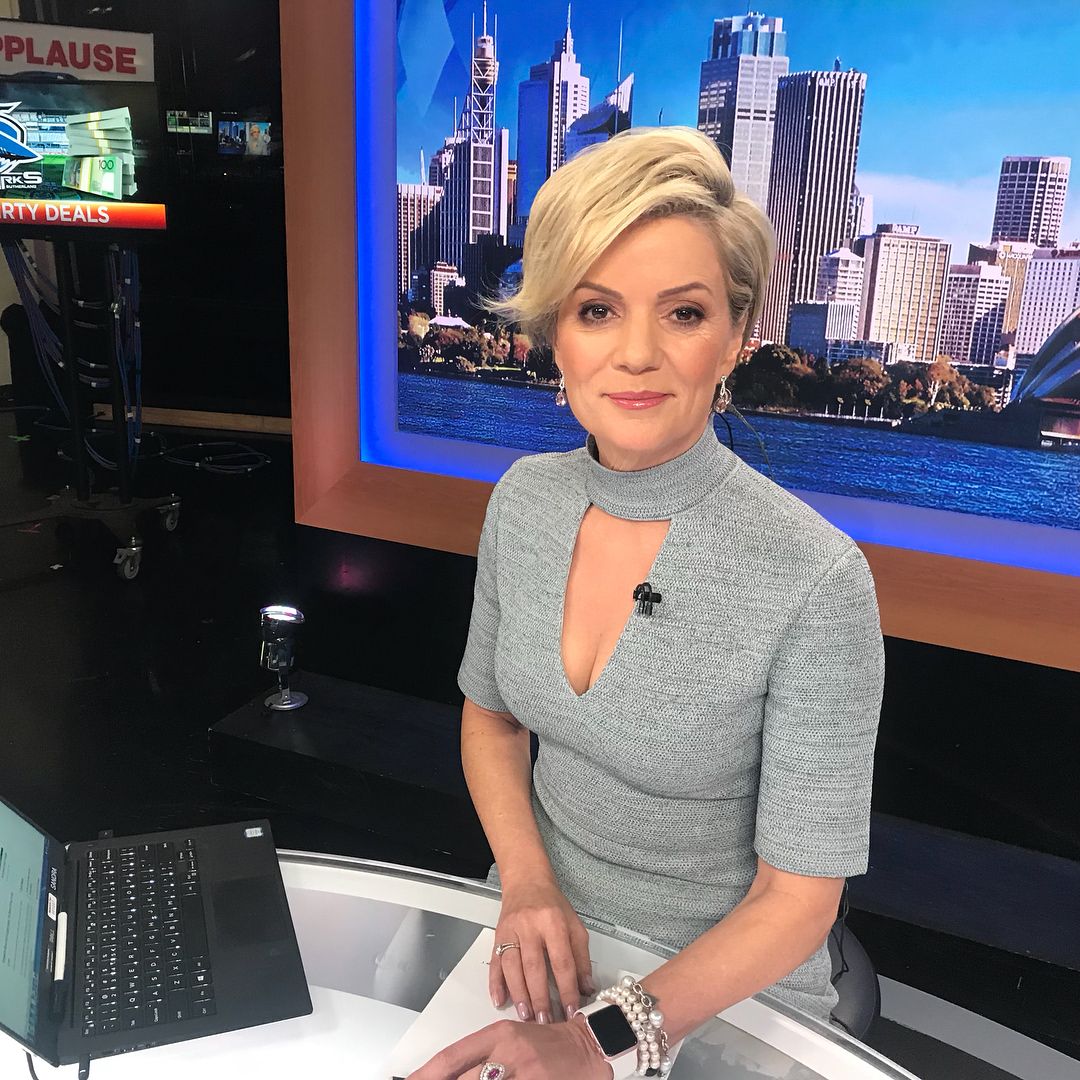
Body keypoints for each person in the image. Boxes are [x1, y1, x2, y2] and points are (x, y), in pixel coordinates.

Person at [409, 126, 885, 1080]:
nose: (635, 355)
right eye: (597, 310)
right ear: (555, 332)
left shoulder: (818, 577)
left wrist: (601, 1039)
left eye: (683, 313)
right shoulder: (523, 500)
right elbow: (490, 718)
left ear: (735, 337)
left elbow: (799, 901)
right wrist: (529, 887)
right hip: (536, 943)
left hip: (725, 996)